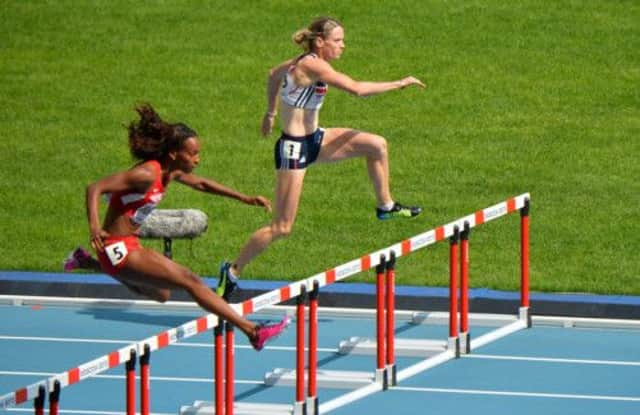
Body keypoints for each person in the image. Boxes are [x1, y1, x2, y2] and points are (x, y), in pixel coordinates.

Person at [216, 16, 426, 300]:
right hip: (294, 149)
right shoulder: (312, 64)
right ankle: (232, 271)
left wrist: (270, 113)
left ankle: (385, 206)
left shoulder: (302, 62)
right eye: (338, 41)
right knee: (282, 227)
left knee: (377, 145)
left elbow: (272, 75)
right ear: (320, 42)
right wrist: (401, 82)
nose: (343, 46)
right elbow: (358, 90)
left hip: (317, 140)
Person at [63, 103, 289, 351]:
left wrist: (244, 198)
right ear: (173, 154)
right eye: (192, 154)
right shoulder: (147, 174)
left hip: (125, 247)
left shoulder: (171, 173)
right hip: (117, 247)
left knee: (162, 295)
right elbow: (95, 188)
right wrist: (95, 227)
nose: (197, 159)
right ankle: (253, 332)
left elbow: (202, 184)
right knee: (190, 281)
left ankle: (87, 262)